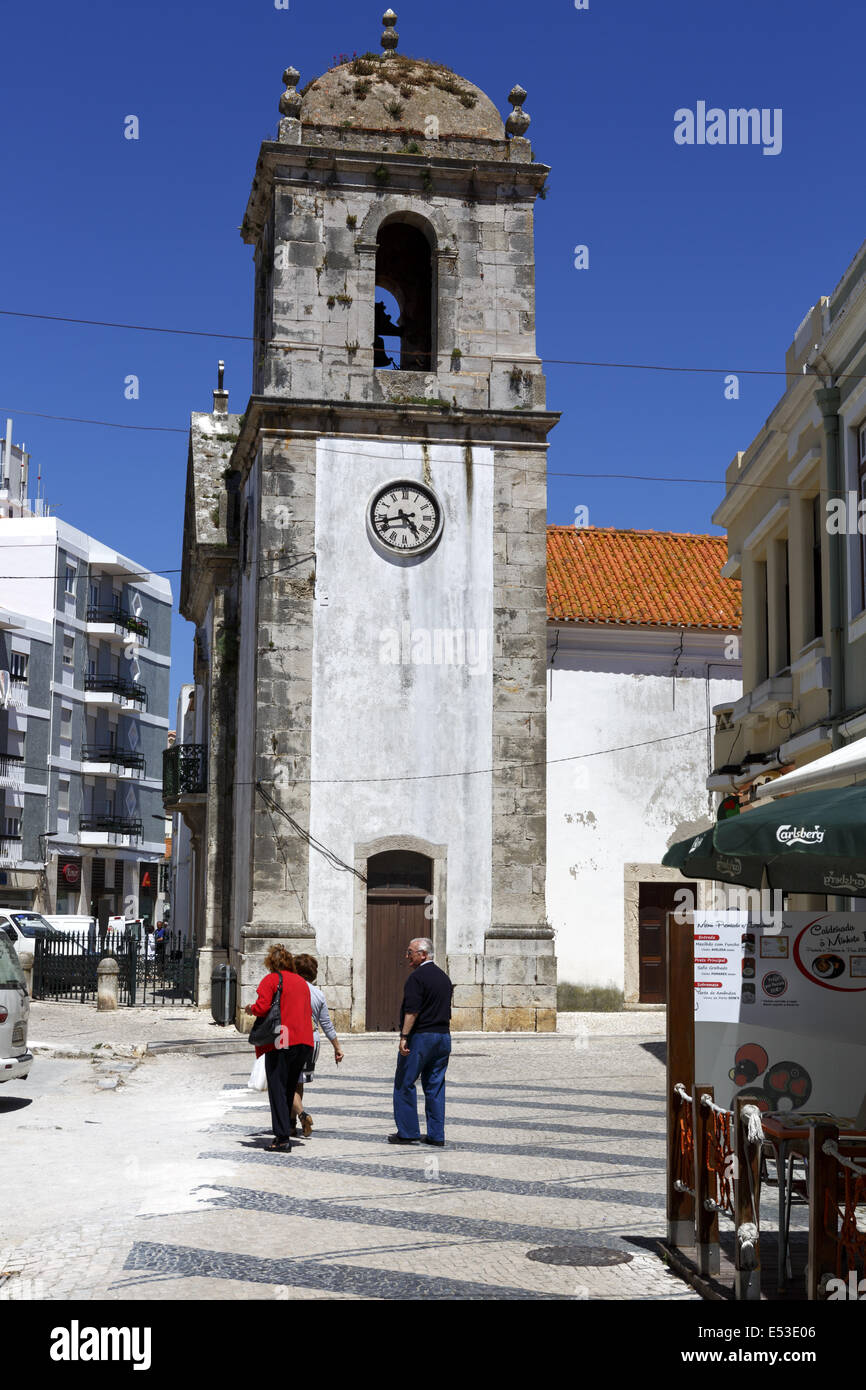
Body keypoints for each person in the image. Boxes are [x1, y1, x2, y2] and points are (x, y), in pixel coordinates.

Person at [244, 945, 314, 1152]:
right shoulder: (301, 982)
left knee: (277, 1088)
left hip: (282, 1039)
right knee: (289, 1087)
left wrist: (251, 1009)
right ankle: (286, 1130)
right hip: (304, 1041)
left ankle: (282, 1138)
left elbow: (263, 1007)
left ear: (271, 963)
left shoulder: (272, 980)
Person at [390, 937, 453, 1147]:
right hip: (443, 1037)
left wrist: (404, 1036)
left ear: (423, 954)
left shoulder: (417, 978)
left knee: (404, 1083)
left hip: (422, 1037)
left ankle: (408, 1132)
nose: (407, 956)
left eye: (410, 952)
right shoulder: (443, 977)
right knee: (435, 1086)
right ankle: (436, 1135)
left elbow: (412, 1011)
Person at [291, 954, 344, 1137]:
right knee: (299, 1083)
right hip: (312, 1041)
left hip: (292, 1040)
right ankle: (291, 1125)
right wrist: (337, 1047)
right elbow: (326, 1024)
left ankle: (302, 1115)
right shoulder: (318, 994)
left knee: (286, 1083)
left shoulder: (291, 989)